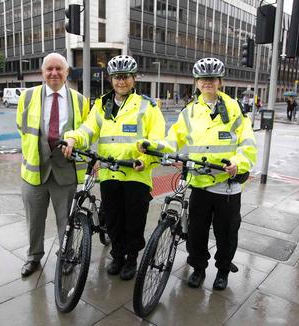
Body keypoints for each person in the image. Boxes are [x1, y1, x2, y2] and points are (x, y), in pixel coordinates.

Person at [62, 55, 166, 280]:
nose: (122, 82)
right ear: (111, 79)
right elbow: (88, 130)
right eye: (118, 77)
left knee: (134, 220)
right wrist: (72, 139)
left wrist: (145, 159)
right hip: (109, 173)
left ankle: (131, 258)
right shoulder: (102, 104)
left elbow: (157, 140)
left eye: (126, 77)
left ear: (134, 78)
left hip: (136, 174)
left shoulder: (148, 106)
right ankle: (118, 256)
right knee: (114, 219)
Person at [163, 57, 256, 290]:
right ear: (196, 83)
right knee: (196, 232)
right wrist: (156, 148)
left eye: (212, 79)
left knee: (226, 234)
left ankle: (223, 270)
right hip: (200, 184)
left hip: (227, 185)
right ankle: (198, 268)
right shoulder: (190, 111)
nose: (208, 83)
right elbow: (173, 138)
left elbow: (247, 142)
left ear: (220, 82)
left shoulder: (234, 108)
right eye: (203, 79)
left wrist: (239, 163)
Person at [17, 53, 90, 278]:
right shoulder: (27, 97)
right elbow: (21, 126)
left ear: (67, 72)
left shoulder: (80, 100)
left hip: (65, 172)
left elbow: (85, 133)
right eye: (49, 69)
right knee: (34, 220)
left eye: (59, 68)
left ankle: (66, 255)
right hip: (34, 171)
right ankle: (33, 257)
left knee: (66, 222)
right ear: (42, 72)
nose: (54, 73)